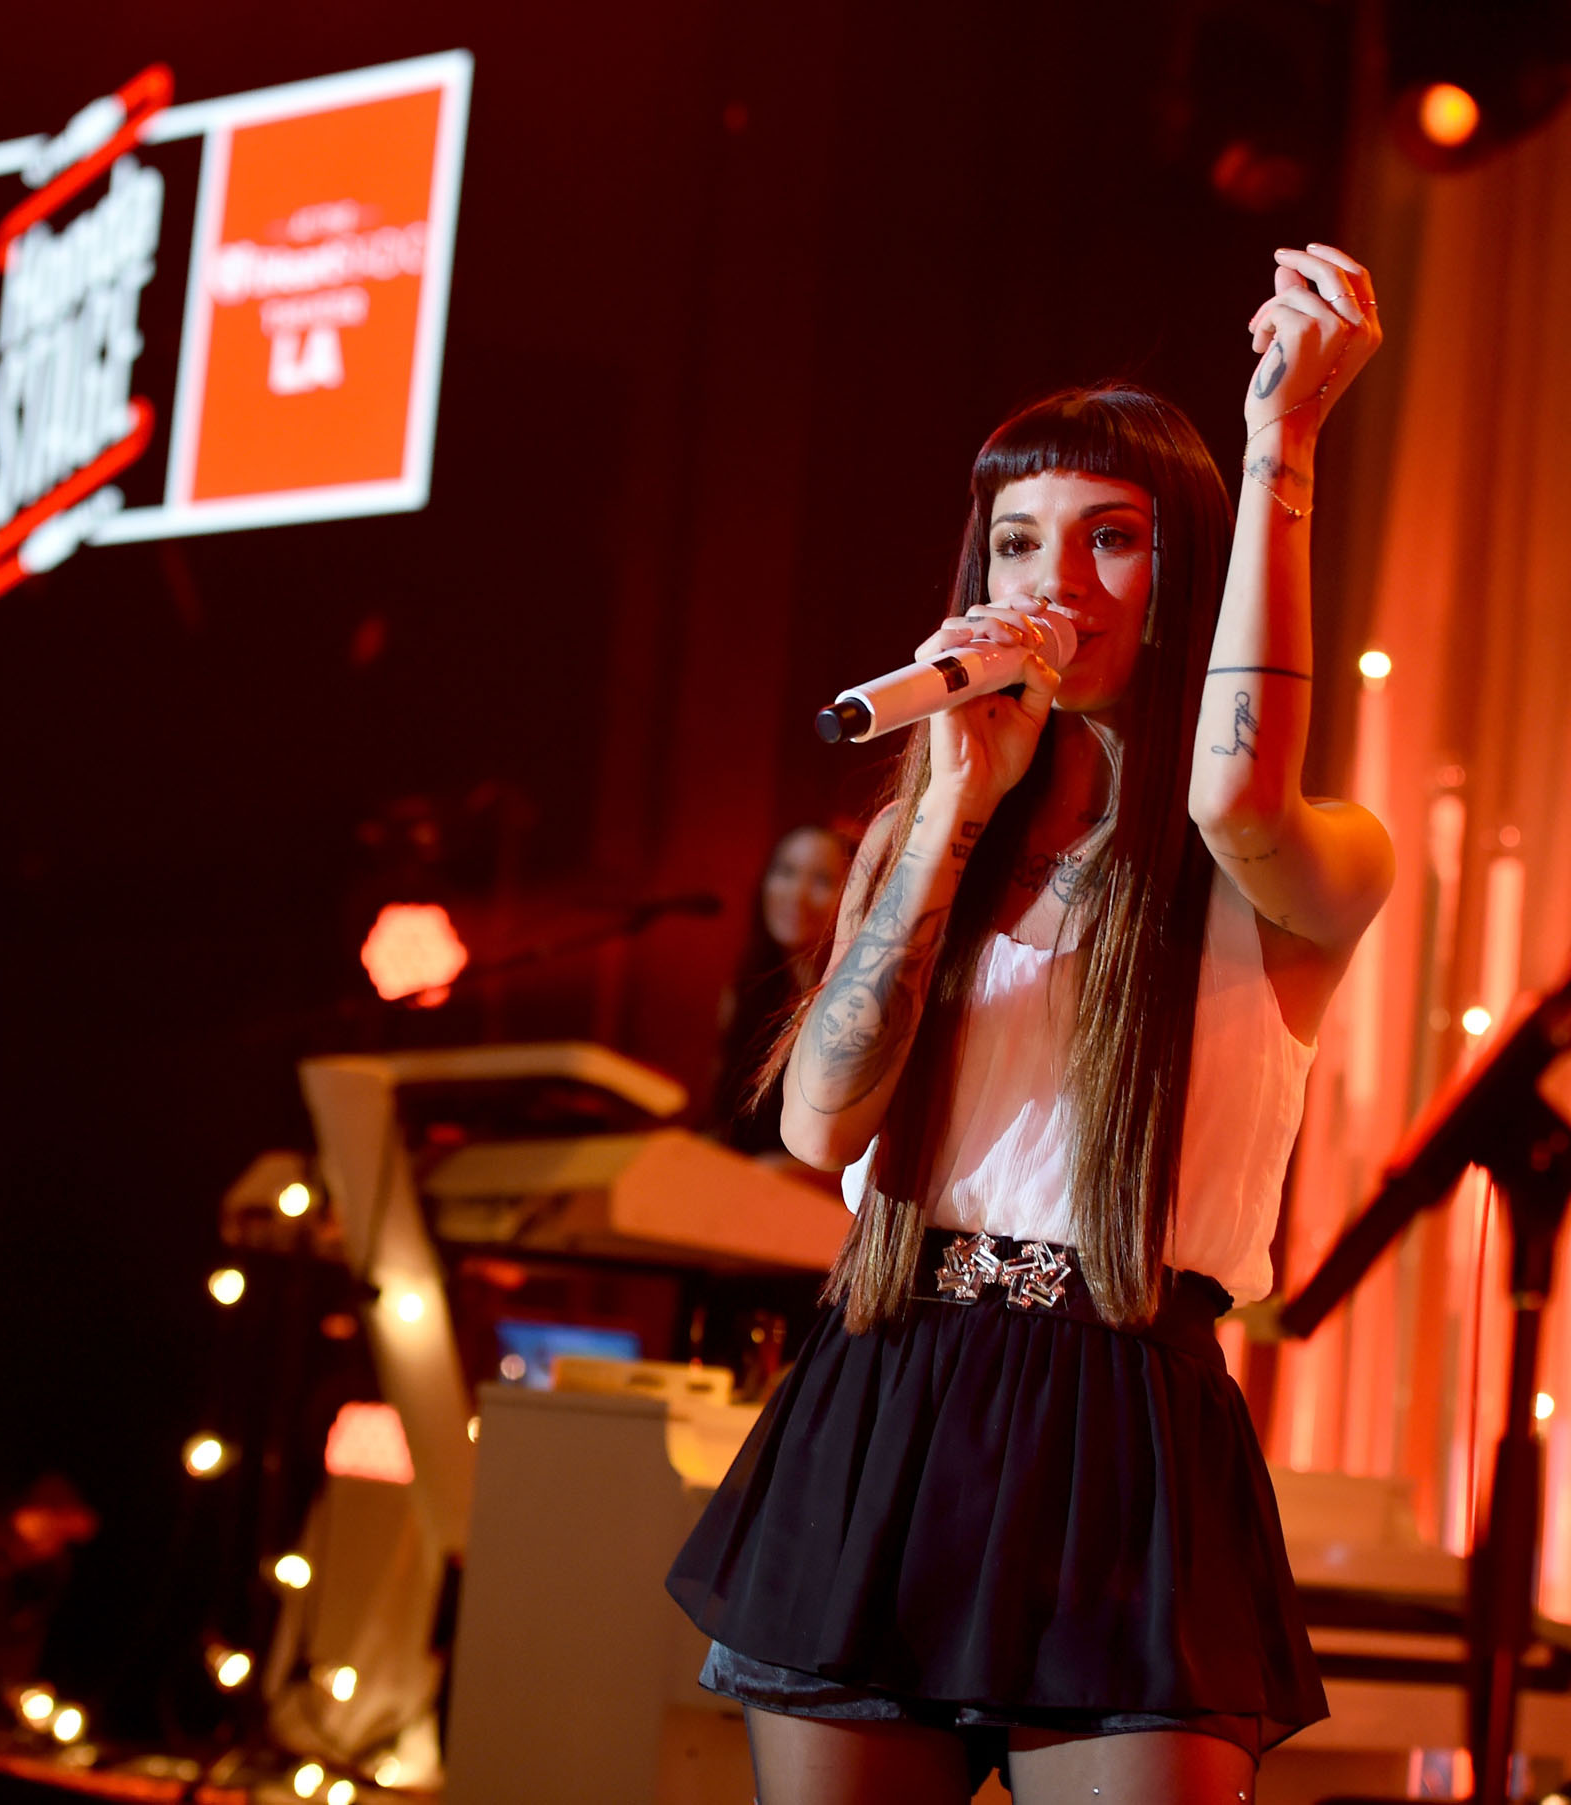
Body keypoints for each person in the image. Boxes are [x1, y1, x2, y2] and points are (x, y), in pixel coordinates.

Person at [666, 245, 1392, 1803]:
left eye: (1111, 540)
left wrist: (1280, 454)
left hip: (1125, 1410)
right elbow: (819, 1129)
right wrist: (943, 819)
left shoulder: (1293, 857)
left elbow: (1234, 790)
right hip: (891, 1384)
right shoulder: (914, 838)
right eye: (1015, 542)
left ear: (1180, 568)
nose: (1051, 585)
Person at [707, 825, 855, 1157]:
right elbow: (723, 1116)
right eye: (786, 872)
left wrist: (785, 1171)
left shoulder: (855, 1005)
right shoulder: (744, 989)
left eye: (821, 881)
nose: (797, 894)